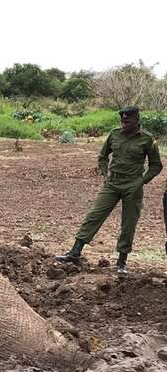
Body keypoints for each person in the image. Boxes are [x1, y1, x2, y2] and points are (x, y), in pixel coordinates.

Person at [56, 107, 162, 276]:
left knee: (128, 224)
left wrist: (142, 181)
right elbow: (102, 156)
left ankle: (122, 262)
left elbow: (156, 165)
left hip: (132, 185)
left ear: (137, 120)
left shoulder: (147, 140)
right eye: (122, 121)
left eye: (128, 121)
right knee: (94, 216)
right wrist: (105, 174)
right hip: (112, 183)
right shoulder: (114, 134)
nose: (124, 124)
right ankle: (75, 252)